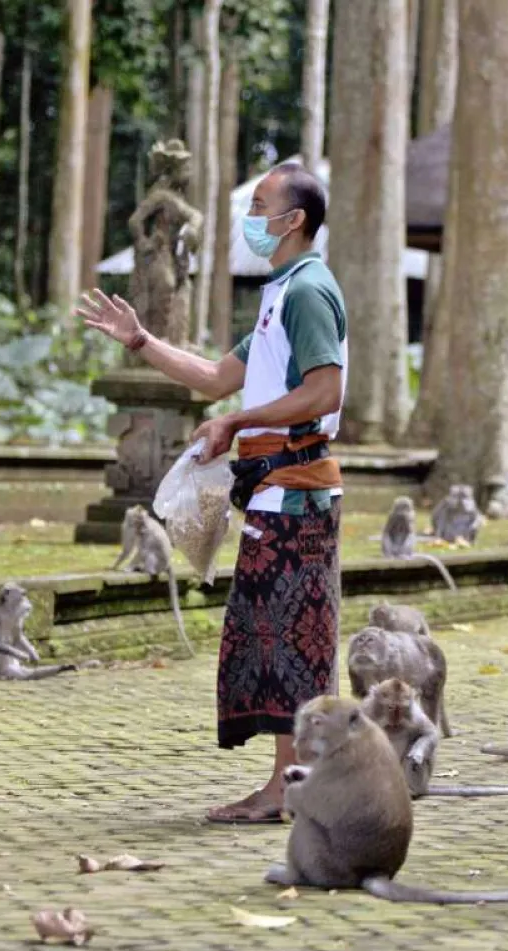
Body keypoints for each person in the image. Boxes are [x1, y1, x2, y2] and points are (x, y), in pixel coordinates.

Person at [77, 162, 348, 824]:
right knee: (271, 636)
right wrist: (139, 341)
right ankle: (293, 782)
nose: (249, 219)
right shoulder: (280, 293)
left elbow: (325, 391)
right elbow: (214, 378)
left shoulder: (309, 291)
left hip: (295, 492)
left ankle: (290, 789)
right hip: (270, 490)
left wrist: (237, 422)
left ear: (295, 222)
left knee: (289, 640)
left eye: (260, 206)